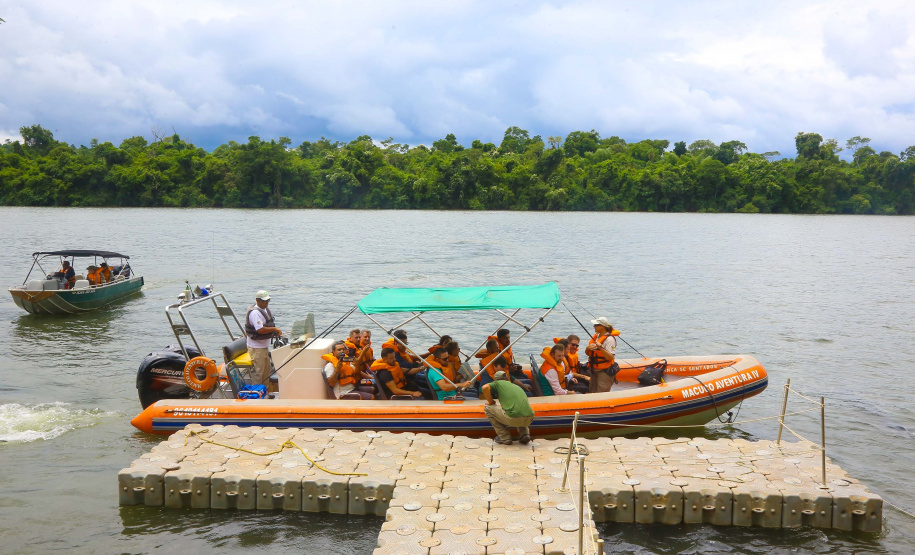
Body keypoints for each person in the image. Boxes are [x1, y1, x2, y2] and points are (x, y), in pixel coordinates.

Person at [482, 365, 535, 445]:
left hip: (513, 418)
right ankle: (524, 434)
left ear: (495, 379)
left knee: (487, 408)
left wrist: (490, 401)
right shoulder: (516, 386)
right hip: (529, 418)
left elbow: (485, 387)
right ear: (507, 378)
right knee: (518, 408)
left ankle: (504, 437)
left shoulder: (496, 383)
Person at [245, 290, 282, 392]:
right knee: (258, 373)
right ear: (257, 300)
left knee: (266, 372)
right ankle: (256, 395)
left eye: (268, 301)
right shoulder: (255, 313)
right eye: (264, 301)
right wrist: (274, 329)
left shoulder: (265, 310)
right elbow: (260, 330)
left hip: (264, 347)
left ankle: (264, 392)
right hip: (256, 349)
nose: (266, 303)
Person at [586, 317, 618, 393]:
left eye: (596, 325)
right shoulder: (596, 337)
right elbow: (588, 353)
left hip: (605, 371)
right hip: (594, 369)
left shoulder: (610, 339)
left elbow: (610, 357)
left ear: (602, 326)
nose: (594, 326)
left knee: (602, 391)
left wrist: (600, 347)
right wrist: (588, 348)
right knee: (592, 390)